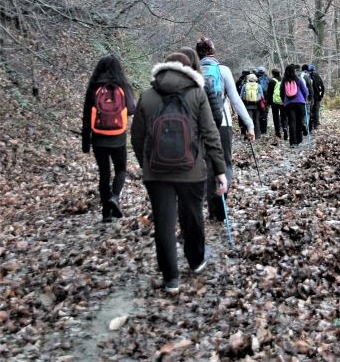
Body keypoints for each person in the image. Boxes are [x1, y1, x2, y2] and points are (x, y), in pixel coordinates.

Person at [131, 52, 227, 293]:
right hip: (192, 170)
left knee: (163, 221)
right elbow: (210, 133)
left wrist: (147, 166)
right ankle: (196, 261)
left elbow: (137, 138)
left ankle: (171, 278)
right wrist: (220, 169)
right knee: (192, 215)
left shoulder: (147, 96)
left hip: (157, 173)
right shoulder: (198, 93)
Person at [196, 37, 254, 223]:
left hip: (200, 126)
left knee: (207, 166)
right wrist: (249, 124)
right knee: (225, 164)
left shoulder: (192, 71)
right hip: (223, 124)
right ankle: (221, 201)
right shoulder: (223, 70)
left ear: (197, 53)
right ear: (213, 52)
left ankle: (212, 211)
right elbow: (235, 99)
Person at [82, 55, 136, 222]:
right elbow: (132, 109)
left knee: (104, 173)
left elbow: (85, 116)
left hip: (98, 138)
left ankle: (106, 213)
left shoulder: (94, 86)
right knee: (121, 169)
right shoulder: (122, 85)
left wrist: (86, 142)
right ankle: (115, 197)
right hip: (118, 137)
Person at [280, 64, 309, 147]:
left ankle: (293, 143)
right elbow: (305, 91)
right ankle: (300, 139)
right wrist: (304, 99)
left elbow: (281, 93)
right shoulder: (298, 79)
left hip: (289, 104)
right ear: (294, 71)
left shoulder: (284, 81)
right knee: (299, 121)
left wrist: (284, 101)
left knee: (292, 122)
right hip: (300, 102)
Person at [267, 67, 287, 141]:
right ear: (280, 73)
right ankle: (285, 128)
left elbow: (269, 93)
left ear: (272, 74)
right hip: (283, 101)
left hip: (274, 102)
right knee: (283, 116)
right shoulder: (284, 80)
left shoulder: (272, 81)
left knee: (276, 117)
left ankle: (278, 133)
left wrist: (268, 103)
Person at [308, 64, 326, 130]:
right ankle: (316, 124)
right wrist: (321, 96)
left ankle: (311, 125)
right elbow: (322, 87)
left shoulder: (308, 77)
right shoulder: (318, 77)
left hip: (311, 97)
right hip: (317, 97)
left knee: (310, 110)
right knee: (316, 110)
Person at [255, 68, 270, 135]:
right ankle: (264, 131)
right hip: (266, 100)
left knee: (258, 114)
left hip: (258, 100)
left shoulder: (257, 80)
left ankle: (258, 130)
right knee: (264, 114)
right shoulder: (268, 79)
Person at [300, 65, 314, 135]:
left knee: (300, 113)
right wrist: (310, 98)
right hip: (306, 97)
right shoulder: (307, 77)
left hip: (297, 98)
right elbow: (310, 89)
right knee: (307, 112)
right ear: (306, 70)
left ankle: (300, 126)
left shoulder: (297, 76)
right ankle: (305, 124)